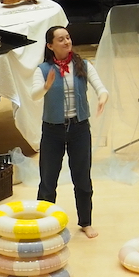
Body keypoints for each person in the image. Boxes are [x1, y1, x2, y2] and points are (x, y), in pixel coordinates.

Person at [30, 25, 109, 239]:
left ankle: (85, 222)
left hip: (79, 128)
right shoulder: (42, 70)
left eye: (68, 37)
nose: (67, 42)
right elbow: (34, 95)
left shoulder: (83, 65)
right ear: (50, 46)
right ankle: (44, 223)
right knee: (48, 180)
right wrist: (46, 87)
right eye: (61, 39)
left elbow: (101, 87)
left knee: (82, 179)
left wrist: (102, 98)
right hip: (52, 130)